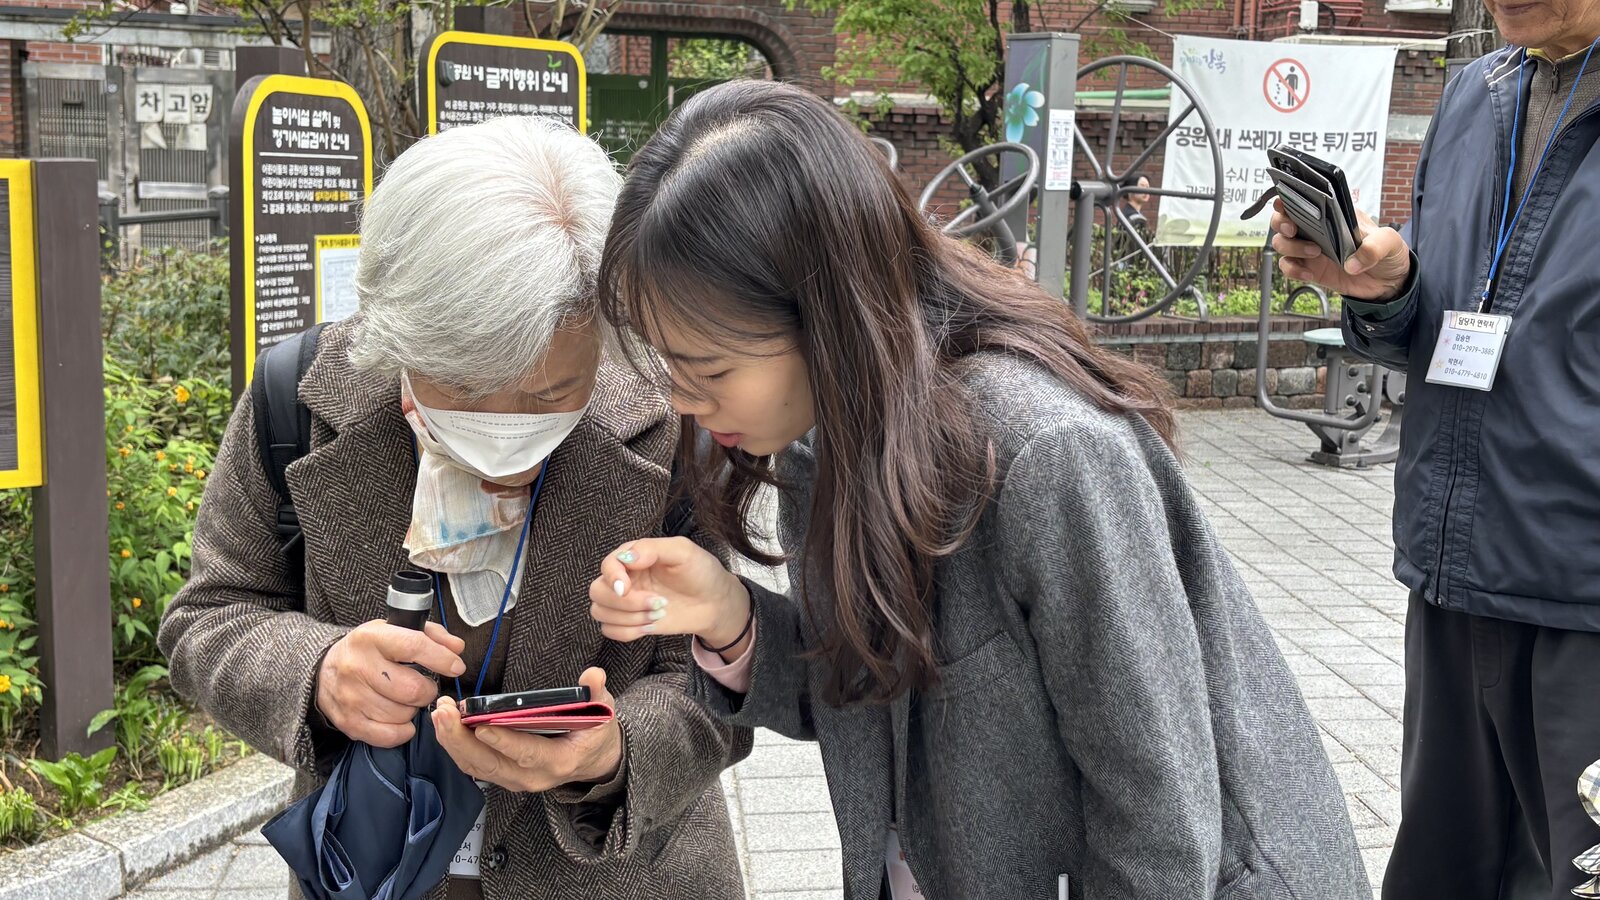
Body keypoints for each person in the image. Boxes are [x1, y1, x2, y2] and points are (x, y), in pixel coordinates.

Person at [586, 80, 1367, 900]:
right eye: (669, 364)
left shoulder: (1045, 455)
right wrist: (733, 619)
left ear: (827, 317)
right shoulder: (827, 430)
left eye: (709, 369)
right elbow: (874, 697)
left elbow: (1160, 822)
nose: (682, 400)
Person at [159, 116, 750, 900]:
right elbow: (210, 615)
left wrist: (616, 752)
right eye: (466, 387)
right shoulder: (293, 401)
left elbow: (725, 673)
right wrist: (319, 673)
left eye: (550, 393)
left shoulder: (671, 418)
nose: (506, 430)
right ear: (402, 336)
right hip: (376, 868)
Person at [1270, 0, 1600, 894]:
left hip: (1582, 600)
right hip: (1451, 573)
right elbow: (1440, 323)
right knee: (1440, 875)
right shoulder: (1475, 94)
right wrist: (1384, 287)